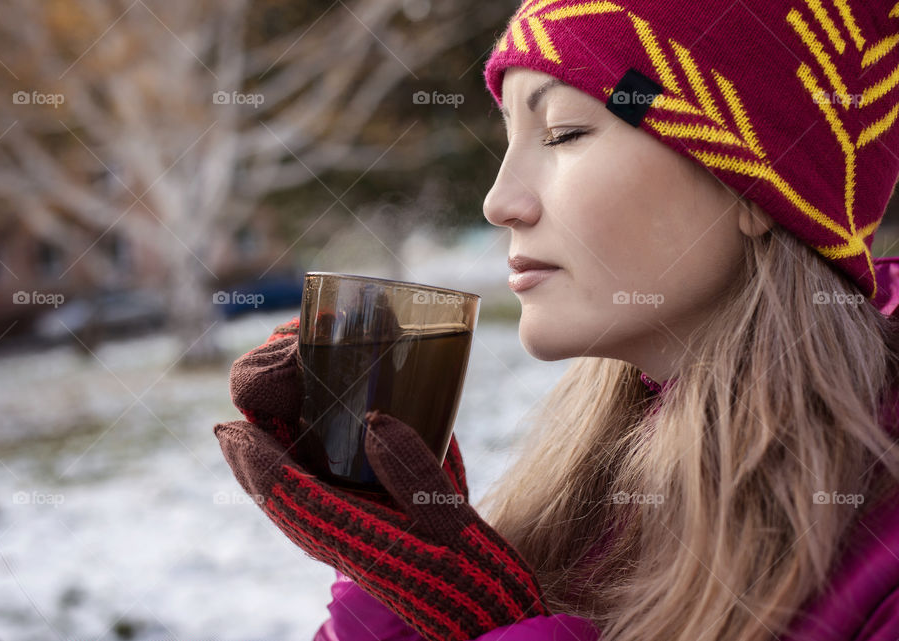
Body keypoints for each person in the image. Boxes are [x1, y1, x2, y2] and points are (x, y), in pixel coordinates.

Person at [213, 1, 899, 639]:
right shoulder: (583, 490)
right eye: (508, 141)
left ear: (755, 188)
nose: (498, 201)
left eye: (564, 133)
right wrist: (399, 590)